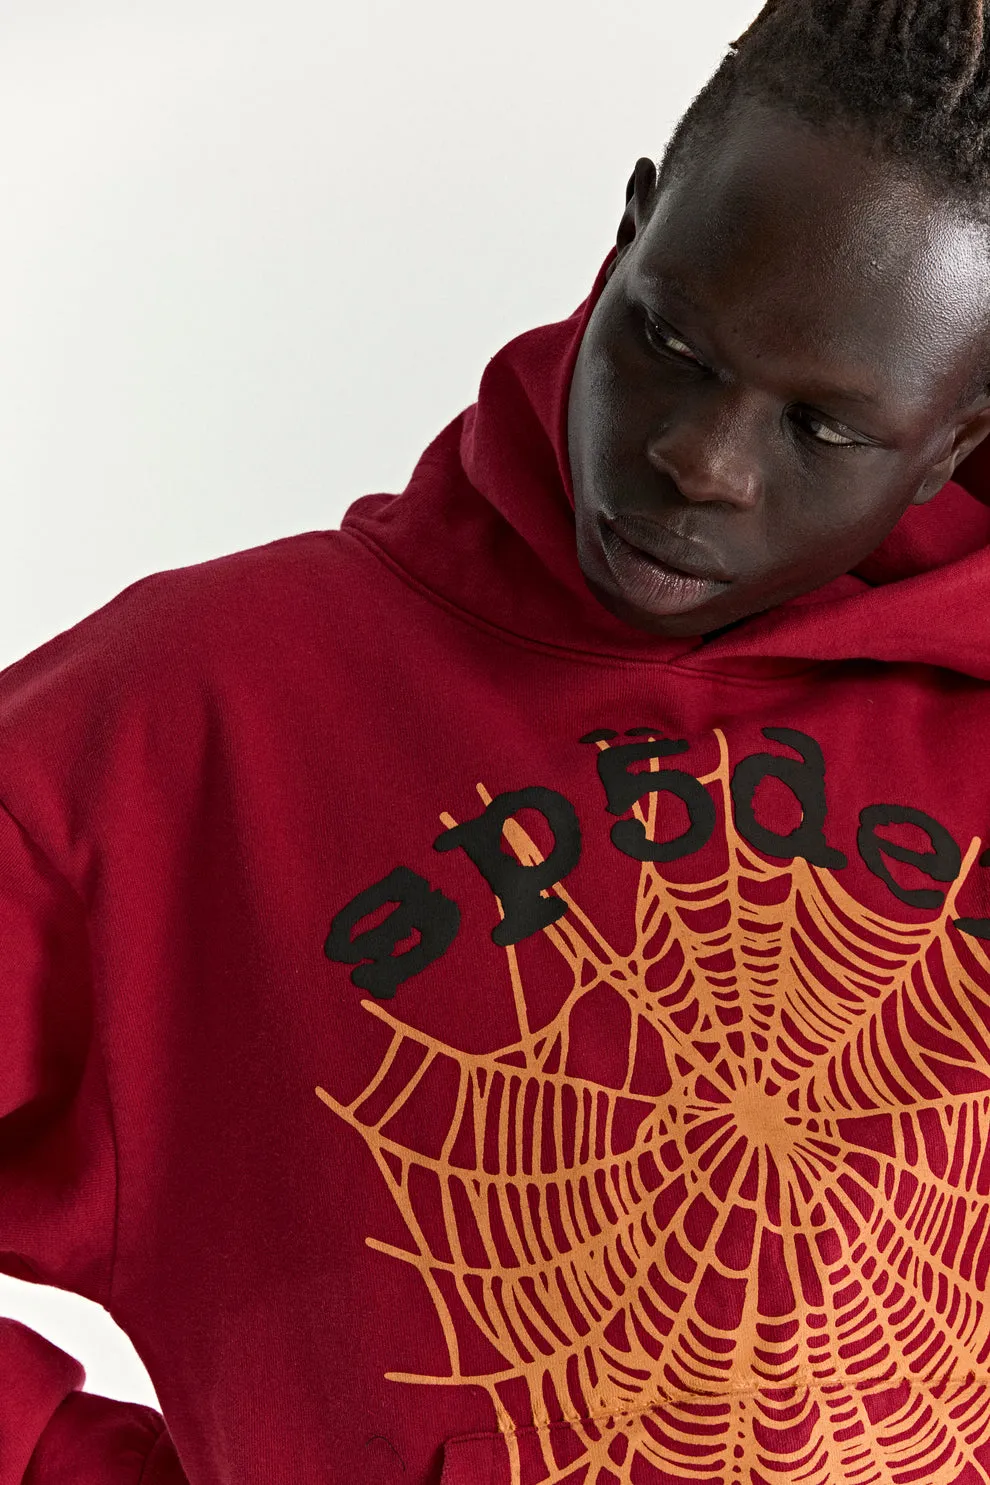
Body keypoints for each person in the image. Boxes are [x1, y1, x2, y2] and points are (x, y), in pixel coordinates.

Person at [8, 1, 990, 1481]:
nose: (699, 461)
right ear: (630, 229)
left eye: (824, 431)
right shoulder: (197, 713)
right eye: (668, 342)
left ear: (955, 440)